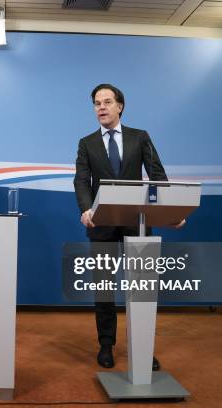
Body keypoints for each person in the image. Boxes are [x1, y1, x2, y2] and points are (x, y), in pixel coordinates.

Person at [73, 83, 184, 370]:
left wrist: (171, 210)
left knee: (142, 288)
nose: (101, 107)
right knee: (104, 288)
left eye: (107, 102)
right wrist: (86, 208)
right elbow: (81, 180)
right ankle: (106, 345)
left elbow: (157, 175)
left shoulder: (139, 137)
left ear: (120, 106)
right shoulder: (87, 143)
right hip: (102, 224)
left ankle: (144, 348)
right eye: (97, 103)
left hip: (139, 222)